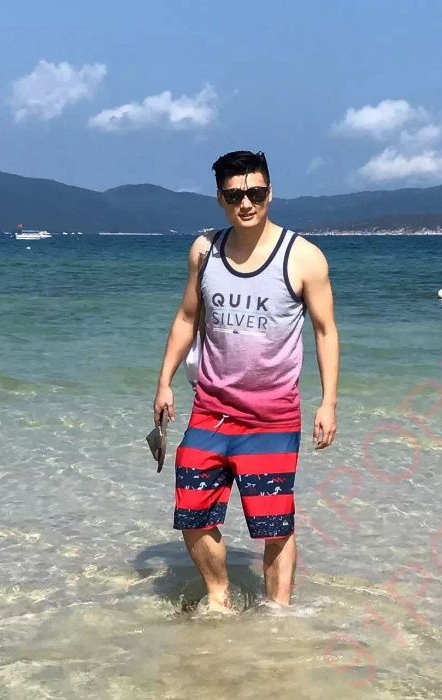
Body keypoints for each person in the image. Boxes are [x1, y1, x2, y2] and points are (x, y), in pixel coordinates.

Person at [153, 150, 339, 610]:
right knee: (191, 509)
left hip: (272, 417)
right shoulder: (204, 252)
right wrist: (164, 382)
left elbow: (325, 331)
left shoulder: (303, 258)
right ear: (220, 199)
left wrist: (328, 402)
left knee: (274, 524)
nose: (246, 204)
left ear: (270, 193)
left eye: (255, 193)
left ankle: (278, 615)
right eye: (235, 195)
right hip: (210, 410)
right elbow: (186, 318)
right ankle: (219, 598)